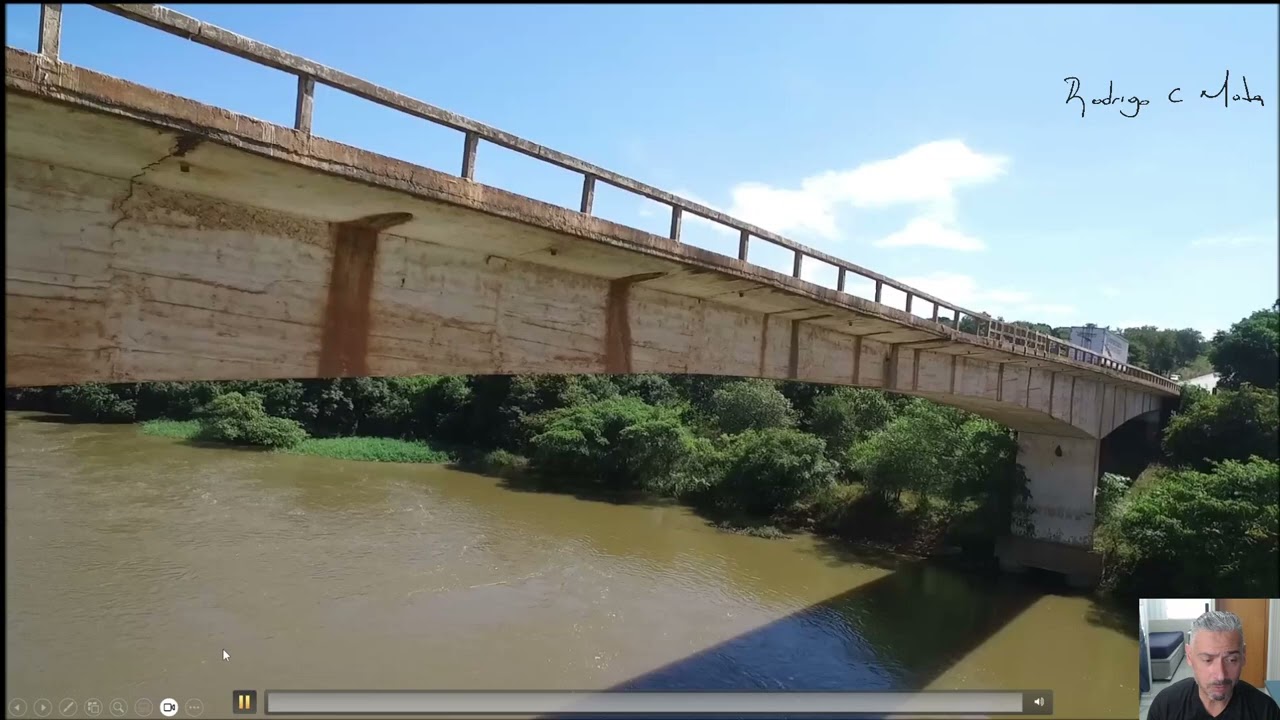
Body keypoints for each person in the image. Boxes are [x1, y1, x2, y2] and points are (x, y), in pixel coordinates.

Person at [1148, 610, 1280, 720]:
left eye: (1231, 659)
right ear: (1189, 656)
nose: (1221, 675)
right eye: (1207, 660)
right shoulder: (1165, 706)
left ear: (1243, 655)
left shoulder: (1266, 711)